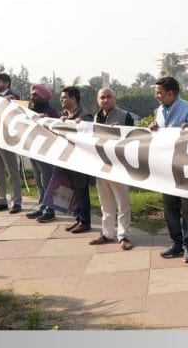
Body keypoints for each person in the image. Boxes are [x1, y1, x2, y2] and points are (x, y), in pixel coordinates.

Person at [150, 76, 188, 263]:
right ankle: (176, 243)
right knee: (169, 207)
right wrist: (153, 128)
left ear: (171, 93)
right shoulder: (159, 111)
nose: (157, 96)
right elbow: (159, 134)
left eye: (159, 93)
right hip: (166, 167)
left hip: (186, 167)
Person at [88, 88, 135, 251]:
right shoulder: (96, 117)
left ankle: (124, 236)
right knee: (105, 203)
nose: (105, 100)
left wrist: (118, 134)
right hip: (101, 166)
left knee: (122, 205)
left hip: (119, 167)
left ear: (115, 98)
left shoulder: (125, 116)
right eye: (102, 97)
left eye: (109, 97)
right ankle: (107, 233)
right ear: (97, 100)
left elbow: (132, 141)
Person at [0, 73, 23, 214]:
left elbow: (21, 111)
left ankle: (16, 202)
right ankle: (1, 201)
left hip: (7, 139)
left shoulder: (14, 96)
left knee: (12, 171)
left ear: (7, 83)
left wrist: (10, 101)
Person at [59, 86, 94, 234]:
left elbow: (89, 135)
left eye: (64, 98)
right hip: (67, 159)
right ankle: (78, 218)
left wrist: (76, 124)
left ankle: (85, 221)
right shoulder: (63, 115)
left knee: (81, 190)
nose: (61, 100)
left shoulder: (85, 117)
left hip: (80, 160)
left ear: (73, 99)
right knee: (73, 190)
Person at [25, 83, 60, 222]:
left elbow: (56, 130)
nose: (32, 97)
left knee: (47, 181)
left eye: (35, 94)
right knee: (39, 181)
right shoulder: (29, 111)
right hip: (33, 150)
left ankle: (50, 209)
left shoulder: (51, 112)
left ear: (44, 96)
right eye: (32, 94)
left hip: (46, 152)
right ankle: (42, 205)